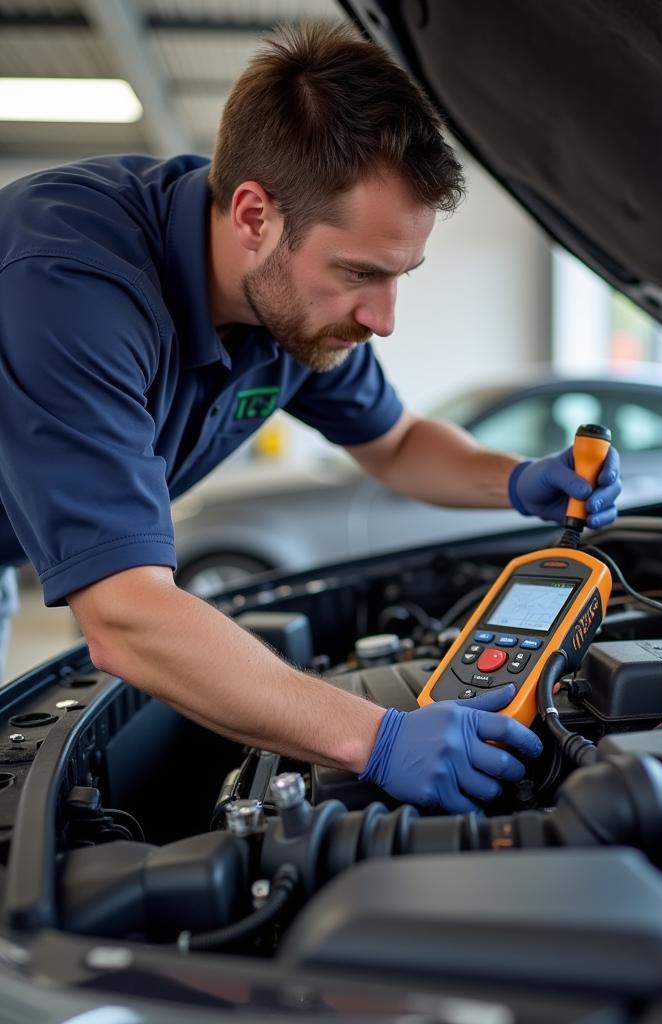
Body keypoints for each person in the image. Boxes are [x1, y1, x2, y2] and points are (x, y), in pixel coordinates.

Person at [0, 23, 620, 814]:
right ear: (255, 215)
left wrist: (522, 480)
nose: (384, 318)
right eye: (360, 272)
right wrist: (377, 738)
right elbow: (125, 615)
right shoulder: (69, 286)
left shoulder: (292, 308)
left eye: (400, 276)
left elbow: (394, 444)